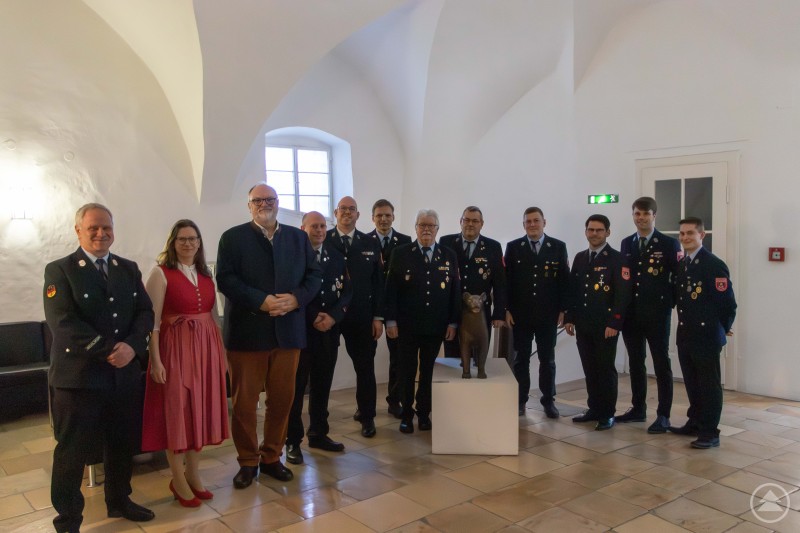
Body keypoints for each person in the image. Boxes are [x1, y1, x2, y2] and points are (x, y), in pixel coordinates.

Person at [43, 203, 155, 532]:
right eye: (93, 228)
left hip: (121, 377)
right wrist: (109, 351)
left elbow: (145, 314)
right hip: (78, 380)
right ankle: (67, 519)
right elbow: (62, 322)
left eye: (106, 227)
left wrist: (133, 347)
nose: (101, 233)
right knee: (72, 453)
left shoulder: (127, 268)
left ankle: (119, 500)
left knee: (121, 444)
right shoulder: (60, 270)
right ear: (78, 231)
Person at [216, 184, 322, 489]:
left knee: (282, 401)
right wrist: (260, 300)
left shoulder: (297, 237)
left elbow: (314, 275)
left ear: (278, 203)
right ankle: (248, 461)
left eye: (270, 199)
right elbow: (225, 278)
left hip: (288, 333)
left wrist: (296, 299)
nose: (265, 204)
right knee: (246, 404)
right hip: (248, 334)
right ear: (249, 205)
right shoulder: (232, 238)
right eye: (258, 200)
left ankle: (272, 456)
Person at [141, 220, 229, 507]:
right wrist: (155, 361)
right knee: (178, 413)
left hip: (206, 350)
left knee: (199, 412)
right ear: (173, 242)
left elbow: (215, 319)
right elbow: (151, 323)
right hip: (175, 351)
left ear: (200, 243)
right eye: (182, 239)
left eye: (193, 239)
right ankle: (177, 479)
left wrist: (222, 357)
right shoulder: (161, 273)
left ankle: (194, 475)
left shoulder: (205, 274)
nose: (188, 243)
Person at [285, 211, 353, 465]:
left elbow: (347, 291)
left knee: (322, 385)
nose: (320, 230)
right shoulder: (293, 258)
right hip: (302, 332)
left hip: (328, 331)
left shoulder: (335, 256)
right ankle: (292, 440)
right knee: (296, 388)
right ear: (303, 229)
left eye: (323, 226)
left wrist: (334, 317)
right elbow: (294, 291)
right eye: (314, 226)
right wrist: (314, 316)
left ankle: (318, 433)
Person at [385, 209, 460, 434]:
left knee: (428, 372)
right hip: (407, 326)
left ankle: (424, 414)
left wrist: (453, 323)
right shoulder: (401, 253)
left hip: (435, 326)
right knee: (407, 371)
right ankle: (406, 415)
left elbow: (455, 292)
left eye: (431, 226)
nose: (426, 229)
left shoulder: (448, 255)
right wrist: (390, 321)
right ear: (415, 228)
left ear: (438, 229)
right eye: (422, 225)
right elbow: (391, 291)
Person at [671, 217, 736, 449]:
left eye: (690, 233)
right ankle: (695, 422)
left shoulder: (713, 264)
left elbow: (728, 305)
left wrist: (722, 328)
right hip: (686, 335)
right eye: (682, 234)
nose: (685, 237)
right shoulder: (683, 264)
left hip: (706, 336)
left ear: (702, 235)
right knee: (692, 383)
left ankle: (710, 431)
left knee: (709, 385)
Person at [618, 197, 681, 434]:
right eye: (637, 214)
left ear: (654, 215)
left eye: (645, 214)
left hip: (657, 314)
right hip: (631, 316)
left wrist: (668, 304)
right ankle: (638, 408)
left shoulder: (668, 243)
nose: (641, 218)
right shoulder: (626, 243)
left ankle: (663, 415)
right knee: (636, 362)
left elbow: (677, 279)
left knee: (661, 364)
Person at [564, 214, 631, 431]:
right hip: (584, 324)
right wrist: (569, 318)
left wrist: (615, 323)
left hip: (606, 327)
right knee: (590, 368)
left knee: (605, 370)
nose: (594, 234)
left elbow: (623, 295)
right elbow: (573, 291)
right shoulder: (581, 257)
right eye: (591, 230)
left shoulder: (617, 259)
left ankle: (607, 413)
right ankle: (593, 408)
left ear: (607, 232)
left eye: (599, 230)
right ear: (585, 232)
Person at [326, 196, 384, 437]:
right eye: (343, 209)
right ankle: (320, 422)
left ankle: (367, 415)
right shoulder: (323, 239)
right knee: (323, 368)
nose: (347, 213)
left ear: (359, 215)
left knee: (365, 368)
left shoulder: (370, 242)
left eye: (352, 209)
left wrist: (378, 317)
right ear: (335, 212)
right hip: (328, 316)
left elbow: (379, 283)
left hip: (361, 316)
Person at [504, 207, 569, 417]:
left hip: (547, 315)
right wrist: (506, 309)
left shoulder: (558, 247)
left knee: (547, 361)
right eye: (528, 221)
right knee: (520, 359)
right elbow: (507, 282)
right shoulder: (513, 247)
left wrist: (563, 310)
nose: (532, 224)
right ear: (523, 224)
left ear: (544, 222)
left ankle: (548, 401)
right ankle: (520, 400)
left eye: (536, 221)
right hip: (520, 315)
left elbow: (564, 281)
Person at [439, 206, 506, 378]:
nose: (470, 224)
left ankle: (476, 400)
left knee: (479, 356)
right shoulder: (446, 242)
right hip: (454, 310)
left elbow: (499, 283)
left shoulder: (493, 246)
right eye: (466, 220)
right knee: (453, 358)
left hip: (480, 312)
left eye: (475, 221)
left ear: (481, 224)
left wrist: (499, 313)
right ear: (460, 222)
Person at [367, 199, 411, 418]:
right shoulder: (363, 241)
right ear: (372, 218)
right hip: (370, 307)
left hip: (397, 308)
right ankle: (364, 406)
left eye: (387, 215)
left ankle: (395, 401)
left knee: (398, 358)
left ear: (393, 216)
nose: (383, 219)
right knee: (366, 360)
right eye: (379, 215)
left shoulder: (405, 242)